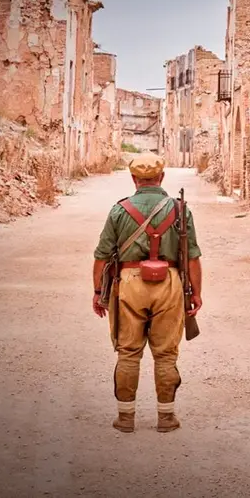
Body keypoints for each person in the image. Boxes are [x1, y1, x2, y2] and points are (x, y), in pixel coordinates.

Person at [91, 152, 203, 433]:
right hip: (170, 283)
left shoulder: (119, 210)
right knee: (165, 354)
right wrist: (196, 294)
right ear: (161, 177)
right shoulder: (180, 209)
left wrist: (97, 292)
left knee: (128, 352)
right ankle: (166, 418)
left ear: (134, 179)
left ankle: (126, 418)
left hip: (128, 283)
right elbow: (192, 257)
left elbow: (102, 256)